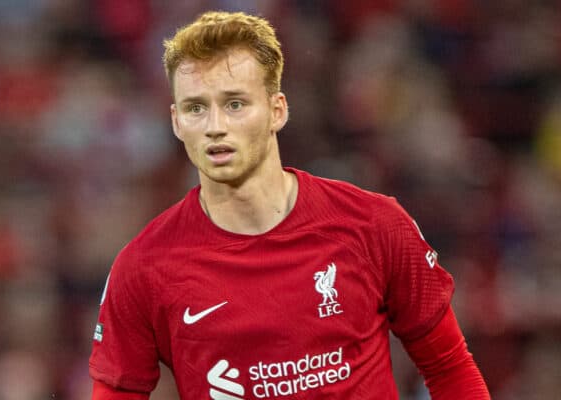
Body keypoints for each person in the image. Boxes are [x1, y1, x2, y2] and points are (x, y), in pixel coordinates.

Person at [89, 10, 490, 400]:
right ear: (176, 122)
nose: (215, 126)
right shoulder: (143, 267)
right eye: (196, 108)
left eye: (234, 104)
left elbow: (450, 369)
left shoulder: (374, 224)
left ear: (277, 110)